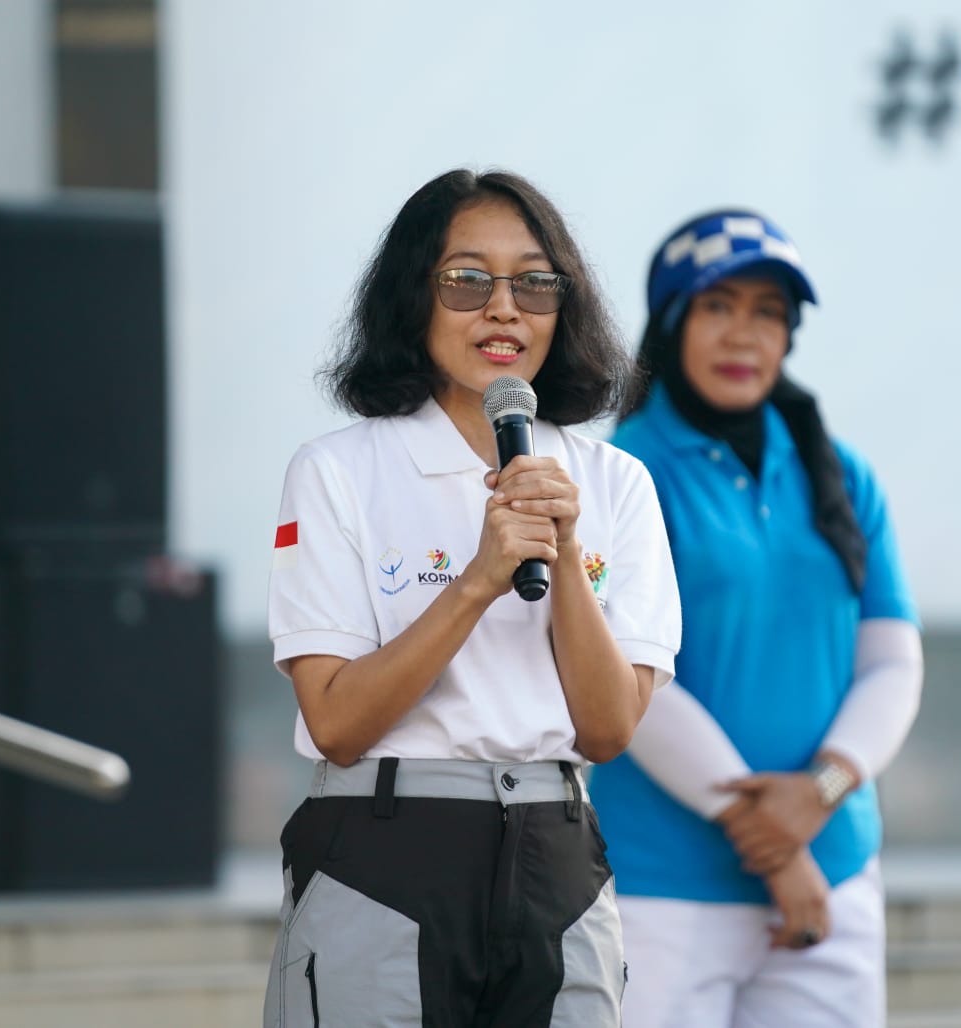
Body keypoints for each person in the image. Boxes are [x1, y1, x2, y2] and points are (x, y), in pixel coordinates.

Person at [262, 168, 681, 1028]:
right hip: (383, 850)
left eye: (533, 282)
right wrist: (478, 582)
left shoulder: (615, 483)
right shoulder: (339, 471)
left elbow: (607, 729)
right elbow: (338, 723)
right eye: (466, 280)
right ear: (412, 298)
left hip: (555, 856)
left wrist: (563, 552)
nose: (503, 309)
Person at [588, 209, 925, 1028]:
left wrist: (823, 791)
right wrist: (768, 839)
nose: (744, 335)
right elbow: (624, 681)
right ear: (670, 324)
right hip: (664, 886)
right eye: (718, 306)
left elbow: (892, 660)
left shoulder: (840, 472)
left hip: (834, 872)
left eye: (768, 313)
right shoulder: (619, 474)